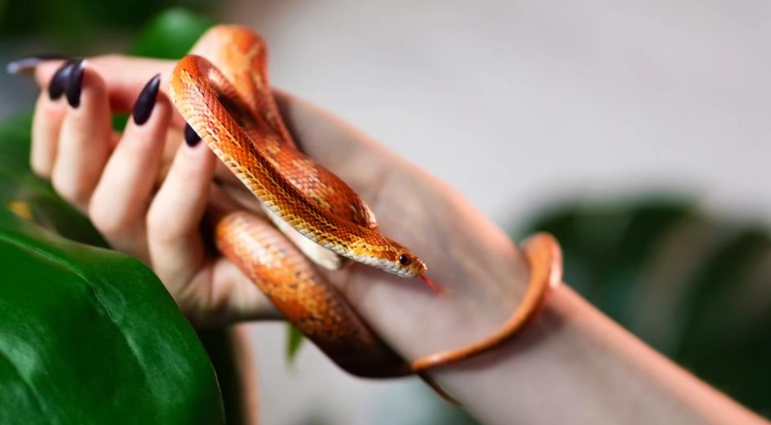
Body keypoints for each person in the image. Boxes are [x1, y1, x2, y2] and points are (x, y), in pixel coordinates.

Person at [10, 54, 769, 425]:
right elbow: (215, 96)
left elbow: (289, 182)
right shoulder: (318, 200)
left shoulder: (333, 213)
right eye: (398, 253)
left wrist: (444, 280)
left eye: (398, 254)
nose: (402, 255)